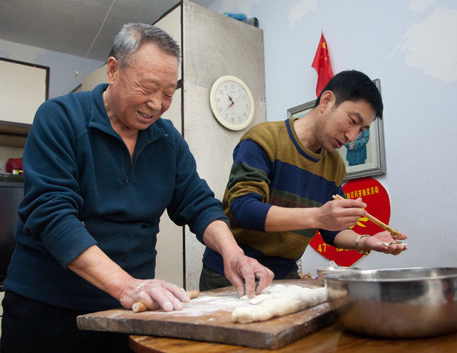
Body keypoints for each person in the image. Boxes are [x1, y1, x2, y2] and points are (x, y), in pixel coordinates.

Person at [0, 23, 273, 353]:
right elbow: (52, 215)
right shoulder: (59, 118)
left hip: (127, 312)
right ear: (114, 70)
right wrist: (126, 285)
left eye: (169, 93)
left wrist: (234, 254)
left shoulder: (168, 140)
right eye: (147, 88)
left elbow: (199, 203)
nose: (157, 104)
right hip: (45, 310)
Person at [200, 70, 408, 290]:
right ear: (326, 101)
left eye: (362, 130)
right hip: (234, 270)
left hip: (285, 273)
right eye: (352, 121)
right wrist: (318, 216)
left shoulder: (335, 165)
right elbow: (244, 209)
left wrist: (364, 241)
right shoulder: (264, 139)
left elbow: (331, 230)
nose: (352, 137)